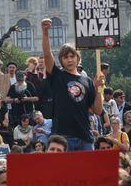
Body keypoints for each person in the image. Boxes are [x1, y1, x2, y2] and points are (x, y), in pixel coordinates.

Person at [41, 18, 104, 151]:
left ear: (78, 58)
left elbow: (97, 110)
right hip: (63, 137)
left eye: (72, 56)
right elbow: (47, 55)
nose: (69, 60)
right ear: (61, 60)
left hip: (85, 137)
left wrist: (98, 89)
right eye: (65, 57)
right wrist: (45, 32)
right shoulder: (58, 76)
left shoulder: (87, 81)